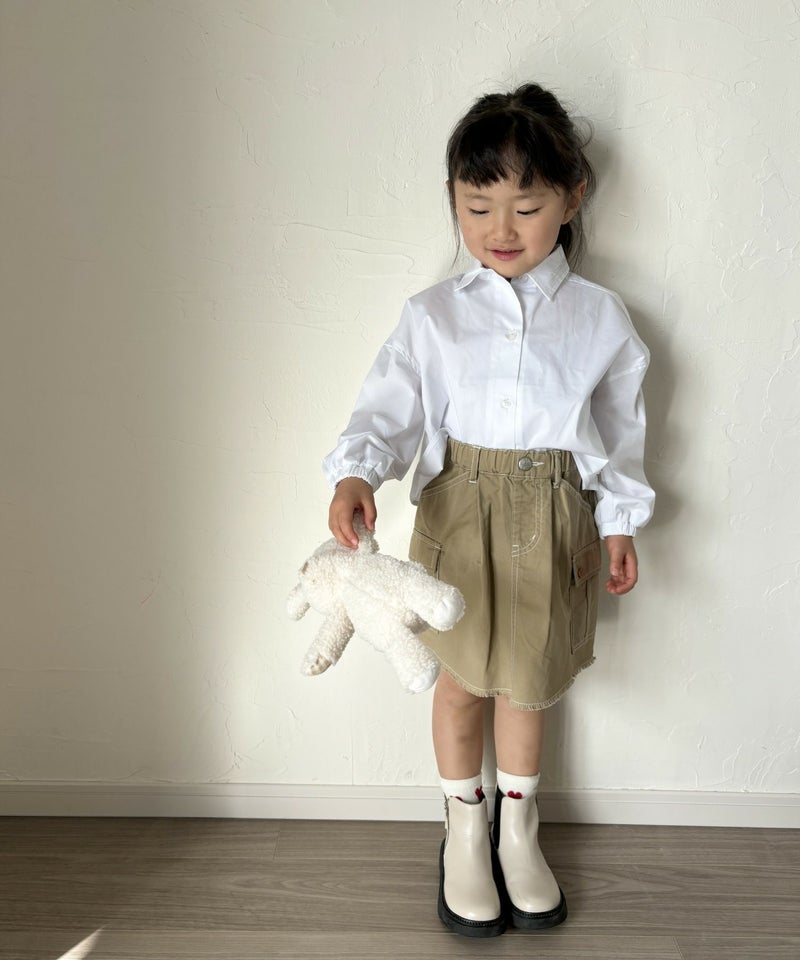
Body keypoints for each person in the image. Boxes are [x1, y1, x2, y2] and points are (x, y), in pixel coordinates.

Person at [322, 83, 655, 938]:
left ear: (572, 199)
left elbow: (619, 432)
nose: (501, 229)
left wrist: (619, 520)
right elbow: (390, 406)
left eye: (527, 207)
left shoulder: (600, 320)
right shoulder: (433, 316)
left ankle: (519, 830)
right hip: (457, 517)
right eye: (478, 207)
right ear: (454, 202)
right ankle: (463, 827)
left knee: (529, 685)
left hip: (554, 513)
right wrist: (358, 474)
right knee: (462, 678)